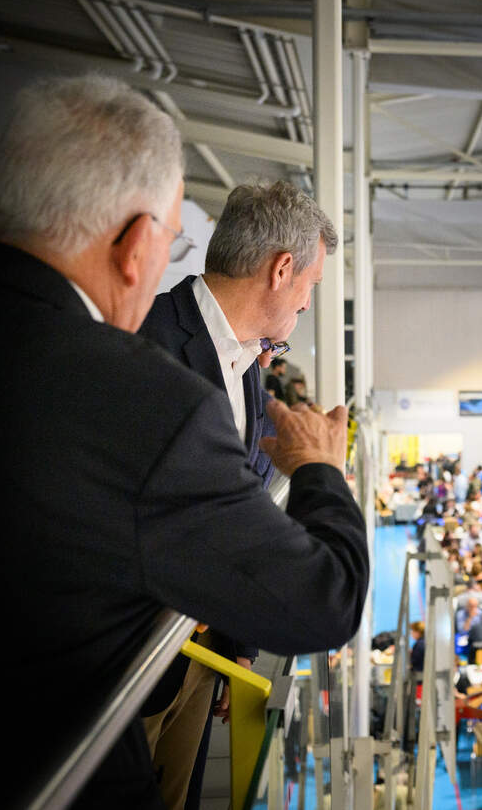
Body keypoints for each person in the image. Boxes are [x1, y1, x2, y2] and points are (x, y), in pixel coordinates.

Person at [0, 73, 369, 809]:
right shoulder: (141, 397)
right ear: (138, 243)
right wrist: (319, 471)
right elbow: (325, 600)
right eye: (172, 238)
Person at [140, 179, 335, 807]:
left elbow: (237, 511)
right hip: (136, 662)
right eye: (310, 287)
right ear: (283, 269)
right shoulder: (152, 342)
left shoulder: (248, 365)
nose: (306, 305)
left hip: (202, 656)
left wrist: (237, 644)